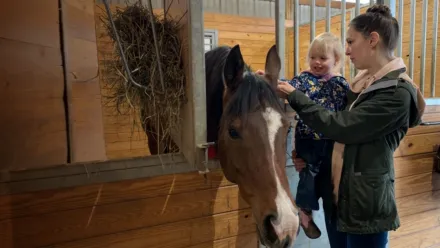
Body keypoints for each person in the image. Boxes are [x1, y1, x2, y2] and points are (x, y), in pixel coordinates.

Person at [260, 4, 426, 248]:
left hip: (364, 205)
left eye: (350, 42)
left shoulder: (396, 93)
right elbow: (335, 129)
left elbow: (342, 126)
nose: (346, 51)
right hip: (339, 195)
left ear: (372, 40)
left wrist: (295, 96)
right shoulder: (362, 85)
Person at [276, 32, 350, 240]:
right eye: (313, 57)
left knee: (327, 182)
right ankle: (305, 211)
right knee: (307, 175)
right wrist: (269, 80)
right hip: (307, 139)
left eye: (323, 58)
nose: (316, 62)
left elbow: (346, 111)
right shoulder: (304, 79)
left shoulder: (340, 84)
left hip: (330, 142)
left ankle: (313, 213)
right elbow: (286, 86)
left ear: (336, 60)